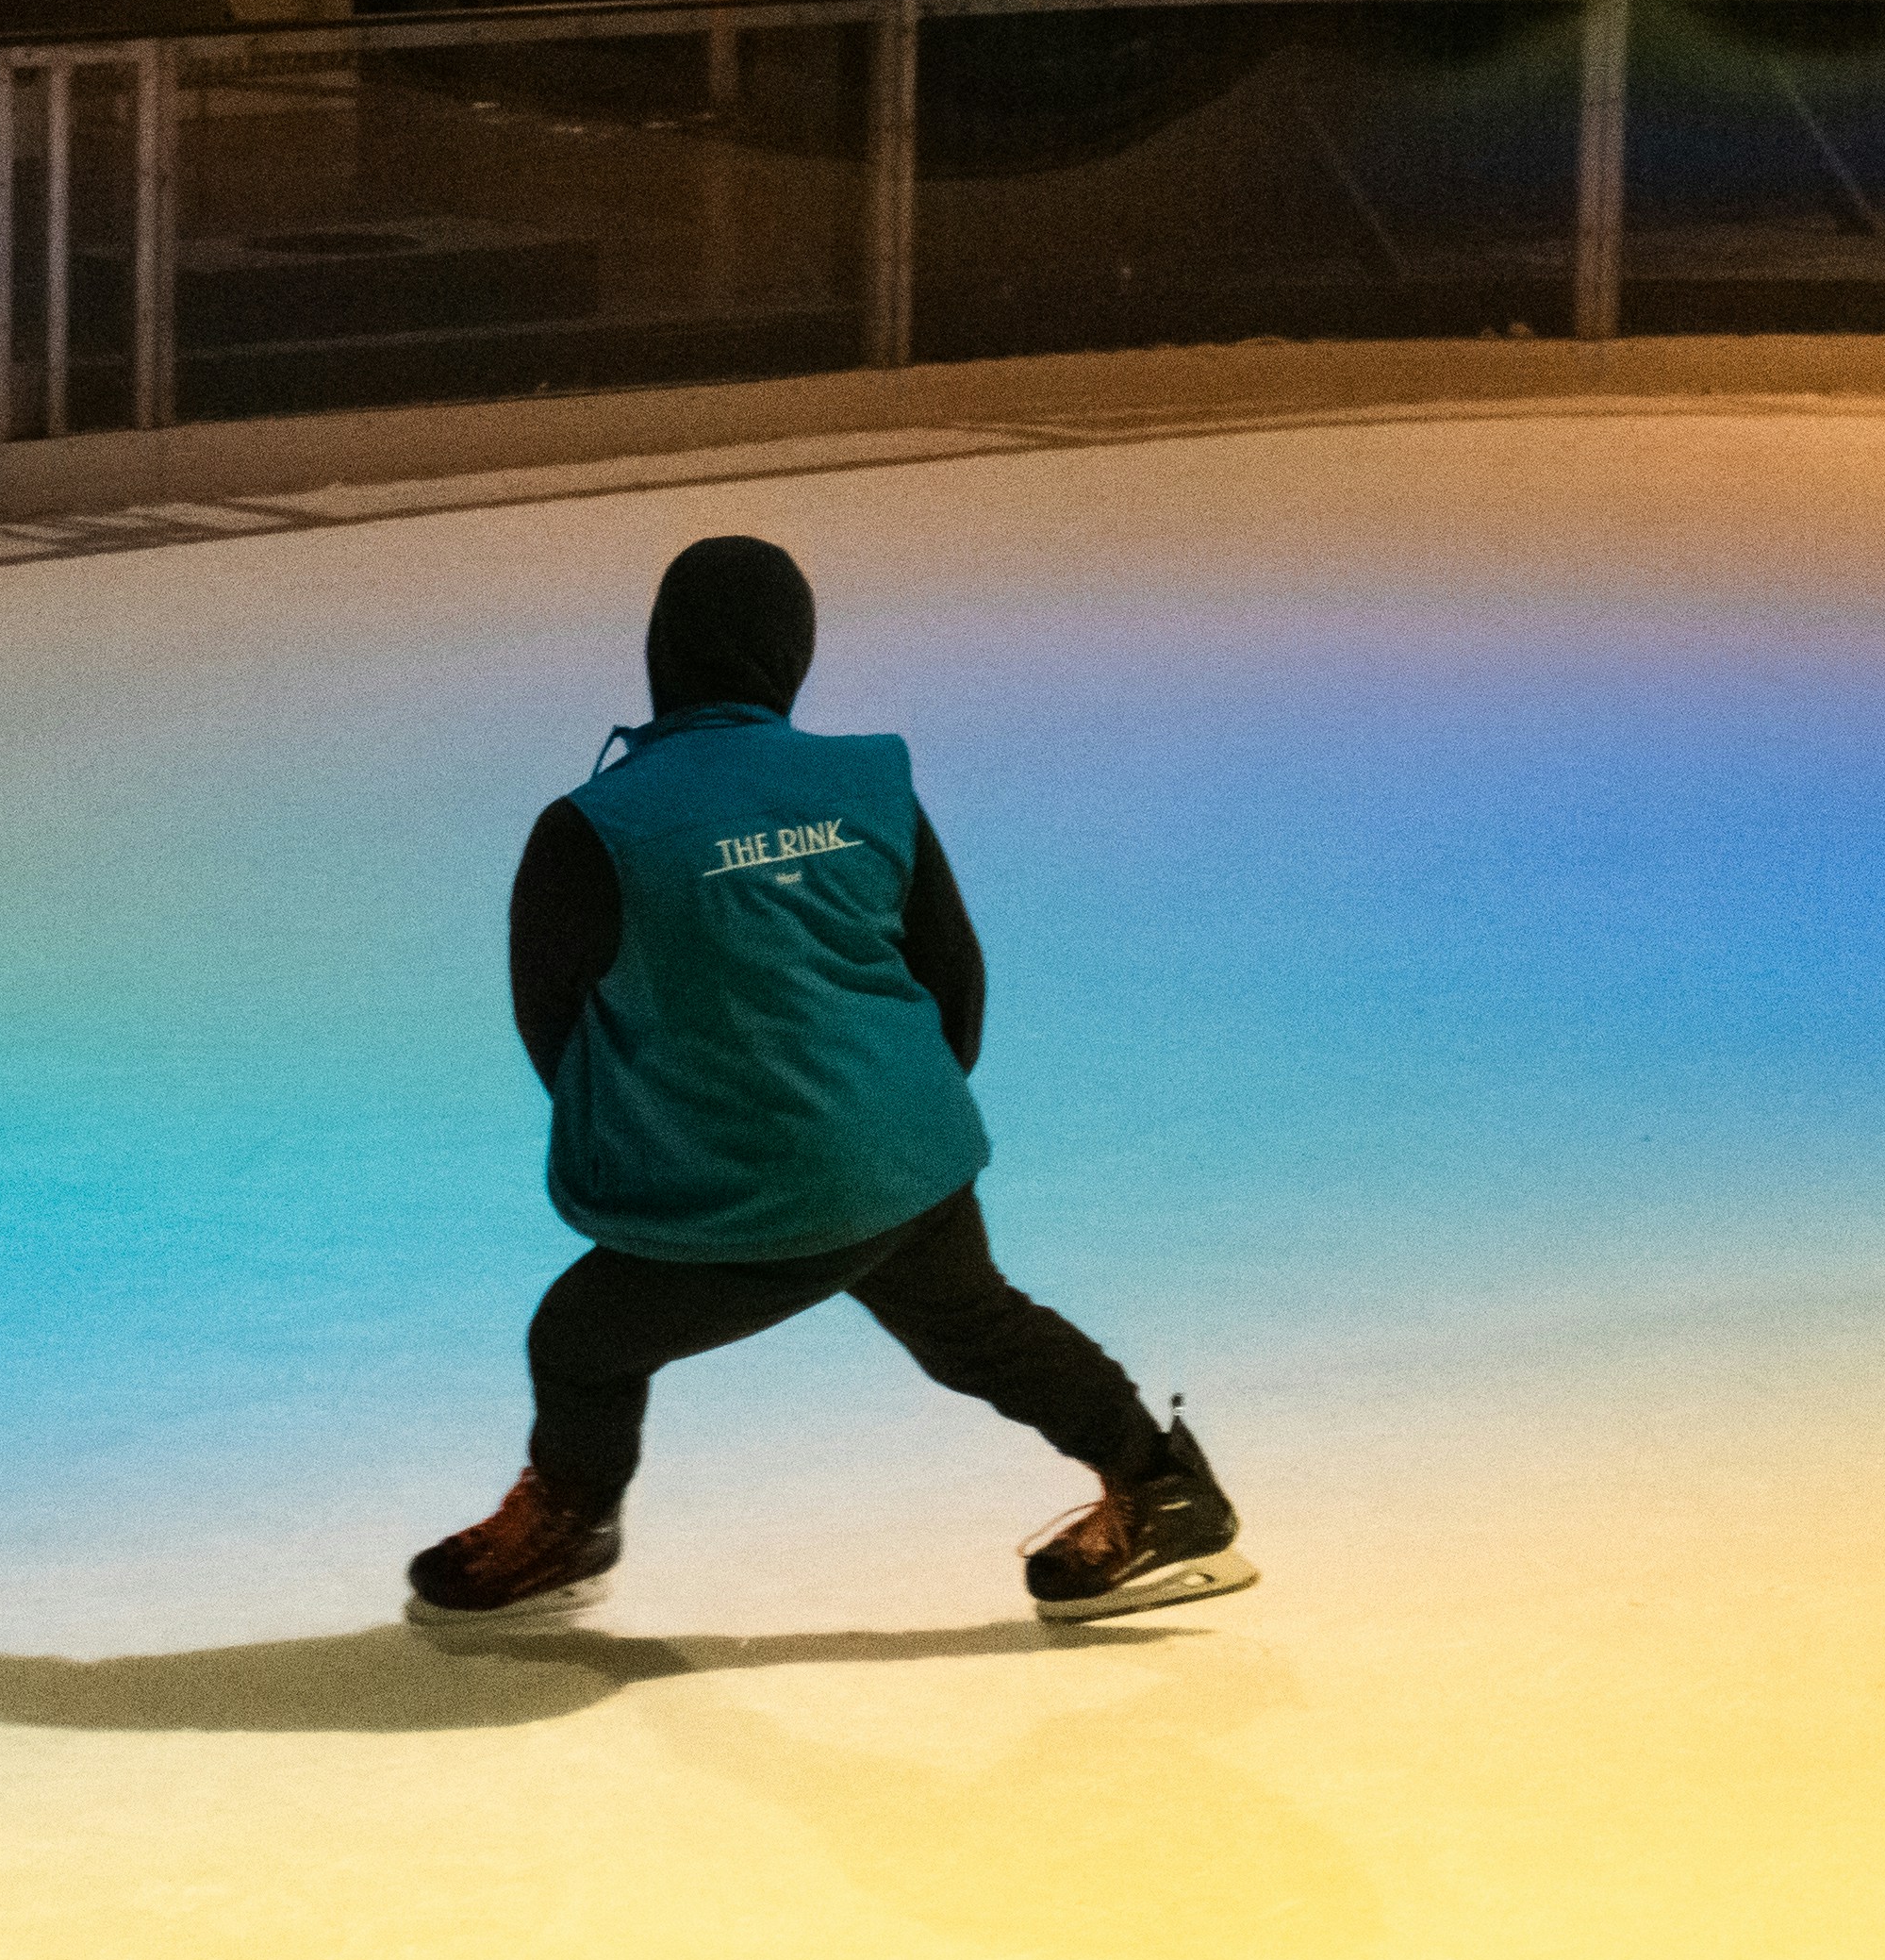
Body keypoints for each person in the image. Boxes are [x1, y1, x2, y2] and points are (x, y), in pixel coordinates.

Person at [405, 534, 1251, 1632]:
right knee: (975, 1328)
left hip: (756, 1178)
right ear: (790, 655)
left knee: (580, 1337)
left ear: (661, 650)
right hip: (909, 1146)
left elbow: (553, 1025)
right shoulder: (866, 781)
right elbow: (952, 974)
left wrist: (710, 1140)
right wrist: (879, 1122)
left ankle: (571, 1525)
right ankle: (1165, 1485)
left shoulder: (594, 827)